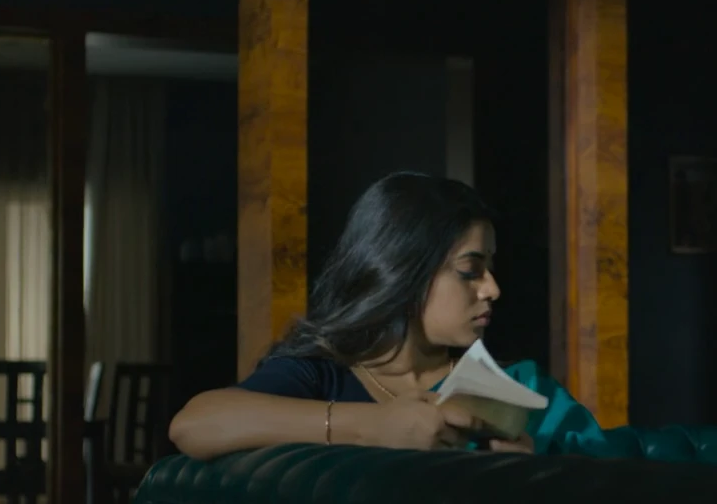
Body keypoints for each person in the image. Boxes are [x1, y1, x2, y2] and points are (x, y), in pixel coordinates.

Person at [168, 172, 604, 461]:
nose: (492, 288)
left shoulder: (515, 387)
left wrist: (537, 475)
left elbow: (605, 473)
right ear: (405, 272)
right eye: (470, 270)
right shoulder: (320, 375)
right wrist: (375, 426)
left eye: (490, 268)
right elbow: (194, 424)